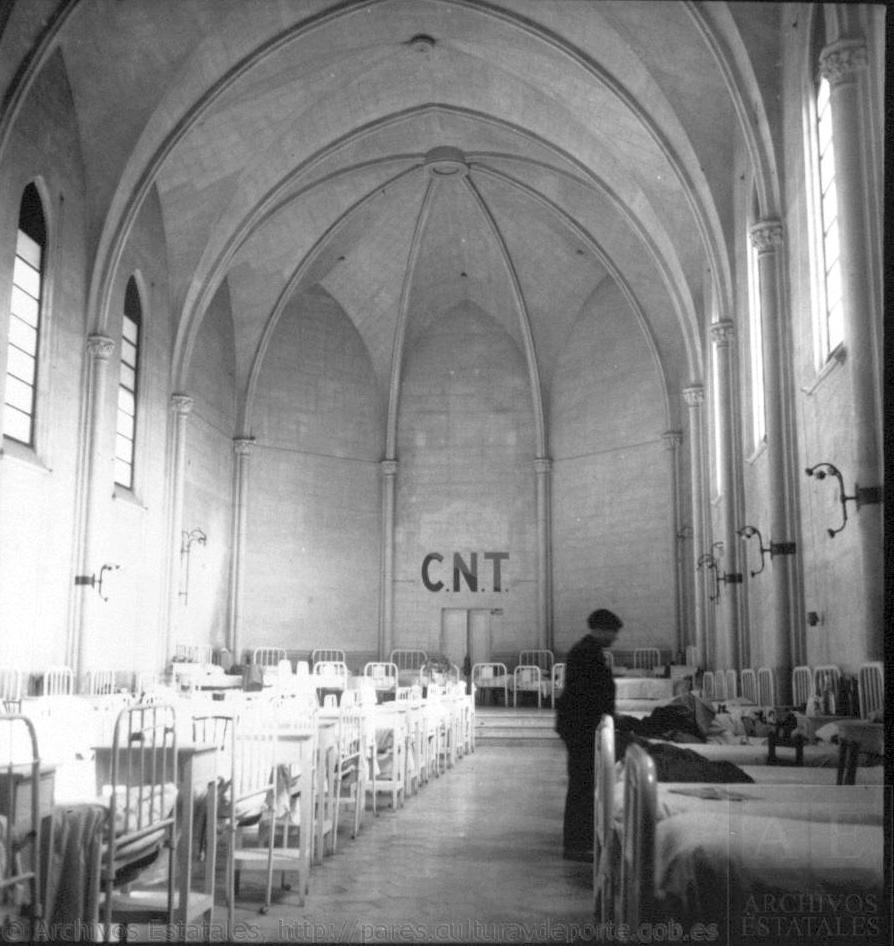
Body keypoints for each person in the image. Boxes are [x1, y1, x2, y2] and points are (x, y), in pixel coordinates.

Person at [555, 607, 623, 861]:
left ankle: (580, 841)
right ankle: (576, 844)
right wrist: (606, 718)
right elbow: (589, 694)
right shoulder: (587, 653)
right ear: (602, 630)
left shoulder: (587, 650)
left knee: (582, 784)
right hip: (581, 728)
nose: (615, 638)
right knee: (581, 785)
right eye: (613, 632)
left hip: (580, 726)